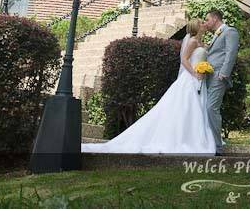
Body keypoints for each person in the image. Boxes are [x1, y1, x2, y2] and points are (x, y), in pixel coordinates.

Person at [81, 19, 215, 155]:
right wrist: (194, 73)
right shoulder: (192, 41)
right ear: (197, 27)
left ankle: (193, 138)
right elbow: (184, 59)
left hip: (200, 80)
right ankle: (184, 140)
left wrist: (203, 71)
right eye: (202, 23)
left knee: (196, 108)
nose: (204, 24)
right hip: (190, 79)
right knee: (187, 108)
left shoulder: (201, 43)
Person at [202, 9, 240, 156]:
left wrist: (224, 73)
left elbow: (231, 53)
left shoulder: (230, 31)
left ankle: (218, 147)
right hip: (209, 76)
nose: (206, 22)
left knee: (211, 108)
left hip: (219, 76)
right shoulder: (216, 34)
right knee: (208, 108)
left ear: (215, 18)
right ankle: (212, 143)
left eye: (207, 19)